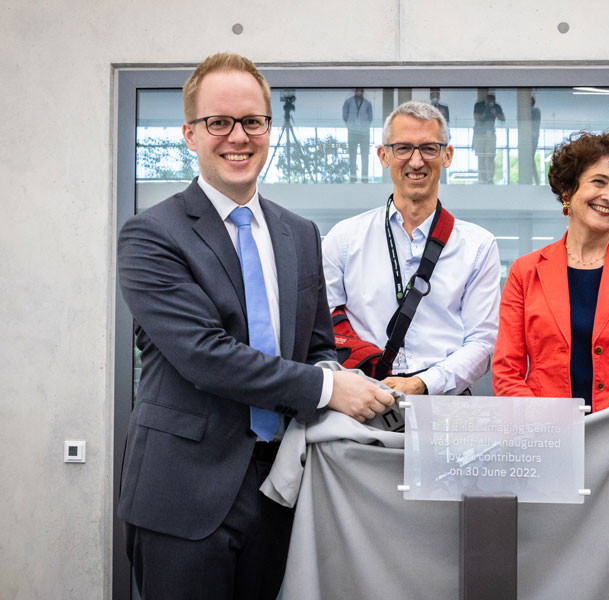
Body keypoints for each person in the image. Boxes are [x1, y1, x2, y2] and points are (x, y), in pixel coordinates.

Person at [116, 52, 394, 599]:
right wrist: (331, 387)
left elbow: (316, 345)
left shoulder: (300, 233)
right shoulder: (152, 235)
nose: (237, 137)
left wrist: (329, 371)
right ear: (189, 135)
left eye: (252, 122)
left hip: (281, 488)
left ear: (269, 129)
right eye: (218, 122)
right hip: (183, 497)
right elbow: (203, 354)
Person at [492, 131, 609, 482]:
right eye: (599, 181)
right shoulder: (525, 271)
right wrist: (546, 432)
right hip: (543, 447)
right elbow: (506, 372)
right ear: (568, 190)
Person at [323, 101, 501, 396]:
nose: (416, 162)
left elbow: (483, 342)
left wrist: (423, 383)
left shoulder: (479, 247)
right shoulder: (344, 239)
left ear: (447, 155)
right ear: (383, 155)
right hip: (365, 399)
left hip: (445, 403)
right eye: (403, 148)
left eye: (429, 148)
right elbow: (321, 327)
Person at [472, 90, 505, 183]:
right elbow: (476, 117)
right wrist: (486, 111)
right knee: (481, 157)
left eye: (493, 97)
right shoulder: (479, 105)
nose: (491, 99)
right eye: (489, 97)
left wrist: (496, 112)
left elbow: (503, 119)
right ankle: (482, 178)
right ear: (486, 97)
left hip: (490, 134)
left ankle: (490, 178)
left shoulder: (496, 106)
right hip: (479, 134)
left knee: (490, 156)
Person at [342, 88, 373, 182]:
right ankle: (353, 177)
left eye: (361, 90)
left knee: (365, 155)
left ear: (363, 92)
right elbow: (345, 116)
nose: (359, 92)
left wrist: (364, 126)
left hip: (364, 133)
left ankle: (365, 177)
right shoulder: (348, 102)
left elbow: (370, 118)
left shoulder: (368, 103)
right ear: (355, 91)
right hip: (352, 132)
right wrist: (351, 126)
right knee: (352, 155)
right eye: (357, 90)